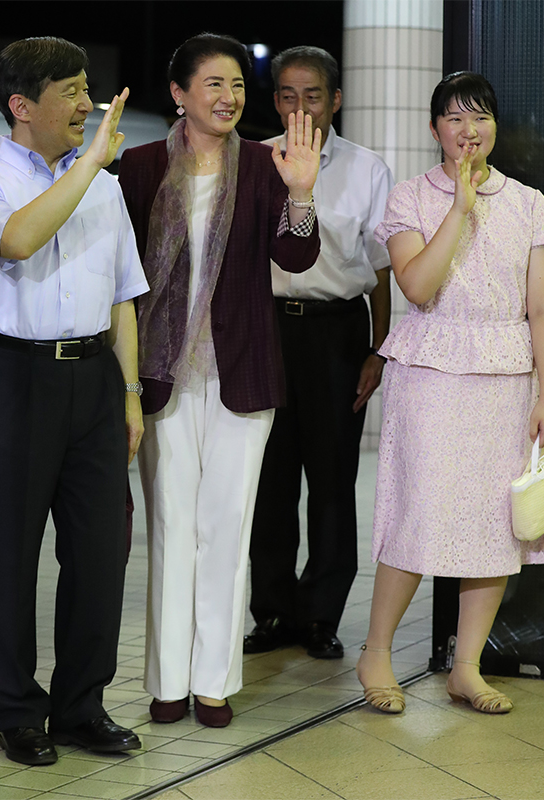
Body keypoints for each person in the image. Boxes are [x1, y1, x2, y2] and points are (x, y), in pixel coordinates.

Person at [0, 37, 148, 766]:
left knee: (99, 555)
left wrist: (128, 396)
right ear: (21, 106)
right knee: (8, 556)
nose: (87, 104)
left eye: (88, 86)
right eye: (70, 90)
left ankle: (80, 708)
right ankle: (18, 715)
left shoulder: (106, 185)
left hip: (95, 378)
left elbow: (126, 295)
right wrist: (89, 164)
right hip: (12, 378)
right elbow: (19, 240)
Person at [118, 33, 321, 728]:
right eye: (212, 84)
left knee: (226, 528)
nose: (228, 97)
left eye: (236, 85)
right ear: (178, 93)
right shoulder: (139, 168)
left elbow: (296, 255)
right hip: (161, 373)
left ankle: (213, 683)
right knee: (172, 527)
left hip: (242, 374)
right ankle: (167, 681)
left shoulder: (267, 167)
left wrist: (301, 193)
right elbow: (120, 274)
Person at [355, 72, 544, 715]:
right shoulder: (410, 197)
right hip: (431, 375)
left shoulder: (529, 202)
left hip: (506, 379)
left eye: (480, 118)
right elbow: (416, 287)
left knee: (491, 528)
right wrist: (460, 208)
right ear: (434, 130)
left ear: (496, 127)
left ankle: (466, 669)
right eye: (454, 118)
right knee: (417, 514)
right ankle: (377, 656)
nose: (468, 130)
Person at [245, 46, 394, 660]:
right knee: (269, 481)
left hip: (337, 333)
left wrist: (378, 351)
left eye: (312, 95)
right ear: (274, 100)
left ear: (336, 99)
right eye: (286, 94)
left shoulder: (367, 169)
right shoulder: (253, 161)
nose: (298, 106)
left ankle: (321, 616)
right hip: (269, 329)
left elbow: (383, 269)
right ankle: (273, 613)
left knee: (333, 480)